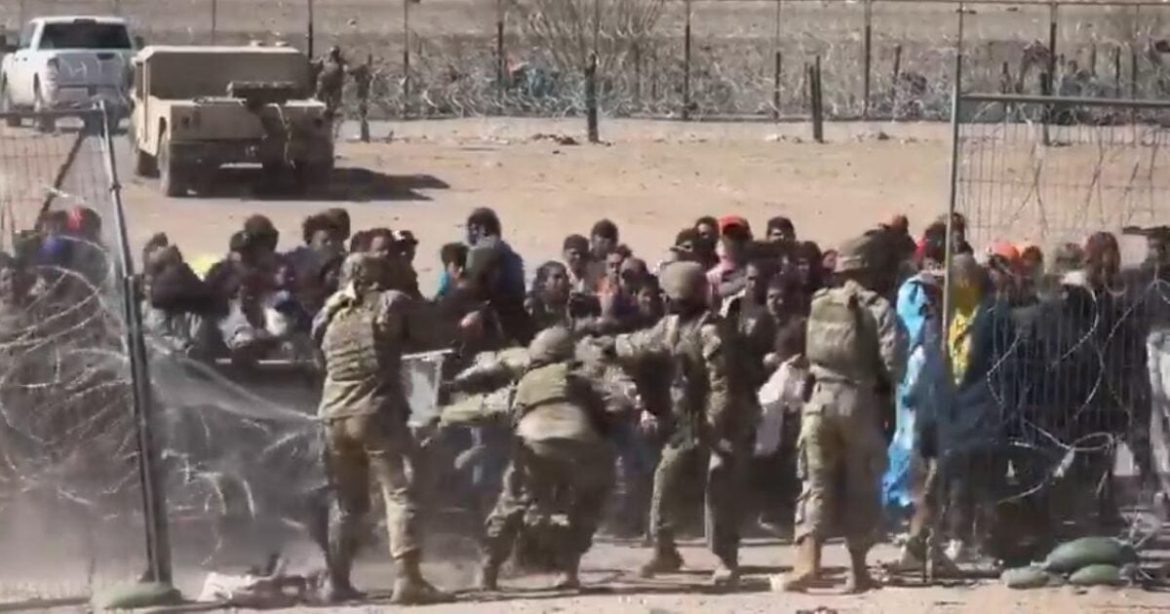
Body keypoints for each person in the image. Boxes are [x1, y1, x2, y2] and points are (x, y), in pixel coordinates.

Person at [312, 253, 451, 605]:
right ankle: (408, 579)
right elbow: (429, 335)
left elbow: (318, 359)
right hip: (375, 411)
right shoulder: (390, 301)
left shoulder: (329, 312)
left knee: (347, 503)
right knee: (399, 491)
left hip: (333, 414)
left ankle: (336, 581)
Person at [607, 261, 756, 587]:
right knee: (665, 478)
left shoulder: (711, 331)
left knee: (719, 486)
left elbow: (723, 387)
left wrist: (713, 429)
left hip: (724, 421)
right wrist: (609, 344)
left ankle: (726, 559)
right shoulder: (673, 325)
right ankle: (664, 550)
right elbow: (642, 343)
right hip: (688, 420)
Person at [442, 327, 622, 591]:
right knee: (588, 501)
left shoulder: (528, 380)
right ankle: (569, 570)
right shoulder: (582, 375)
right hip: (582, 441)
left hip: (535, 440)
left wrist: (444, 415)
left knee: (512, 503)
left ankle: (488, 571)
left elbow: (486, 407)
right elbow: (617, 404)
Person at [778, 234, 902, 594]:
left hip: (818, 401)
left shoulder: (820, 301)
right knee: (861, 484)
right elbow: (894, 363)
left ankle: (807, 564)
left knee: (814, 484)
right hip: (857, 402)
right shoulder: (878, 307)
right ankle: (857, 571)